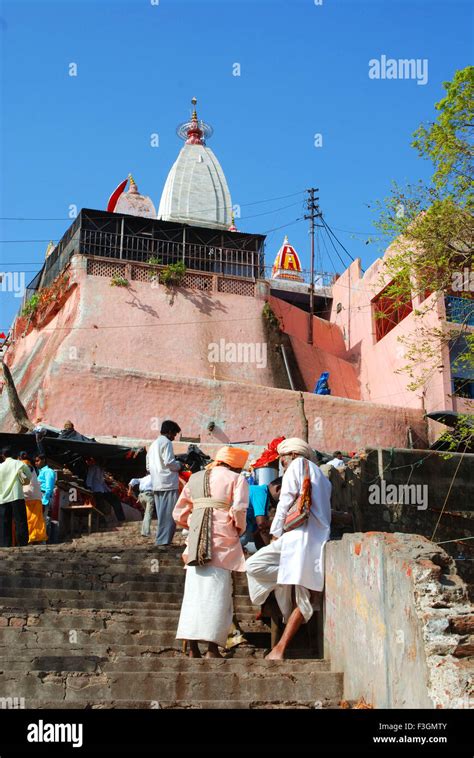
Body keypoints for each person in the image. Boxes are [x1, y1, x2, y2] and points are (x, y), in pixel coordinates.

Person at [246, 437, 331, 660]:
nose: (281, 463)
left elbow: (286, 501)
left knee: (254, 565)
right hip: (317, 539)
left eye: (282, 459)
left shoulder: (296, 466)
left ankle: (280, 648)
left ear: (292, 455)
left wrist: (275, 533)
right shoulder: (322, 475)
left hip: (298, 538)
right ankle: (280, 647)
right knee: (305, 596)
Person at [173, 446, 249, 658]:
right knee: (217, 595)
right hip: (222, 543)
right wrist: (238, 528)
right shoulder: (237, 479)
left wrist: (194, 522)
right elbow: (239, 510)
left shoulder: (195, 478)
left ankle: (193, 648)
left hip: (195, 543)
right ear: (235, 465)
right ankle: (212, 649)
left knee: (193, 595)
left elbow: (178, 512)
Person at [147, 420, 183, 546]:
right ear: (169, 432)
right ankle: (164, 541)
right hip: (168, 483)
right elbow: (169, 462)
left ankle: (160, 540)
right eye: (174, 434)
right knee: (169, 515)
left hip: (156, 483)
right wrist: (179, 466)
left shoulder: (153, 445)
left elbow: (147, 467)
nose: (174, 437)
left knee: (162, 515)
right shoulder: (166, 442)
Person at [0, 447, 31, 547]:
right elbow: (28, 477)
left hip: (3, 498)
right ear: (12, 454)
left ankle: (5, 544)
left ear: (3, 456)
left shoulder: (0, 467)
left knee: (5, 523)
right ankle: (22, 543)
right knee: (20, 521)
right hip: (16, 495)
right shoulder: (19, 464)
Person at [241, 477, 282, 550]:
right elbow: (262, 525)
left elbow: (258, 532)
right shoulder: (261, 493)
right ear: (278, 488)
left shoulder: (261, 494)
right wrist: (269, 552)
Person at [85, 458, 125, 523]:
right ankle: (102, 522)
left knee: (115, 500)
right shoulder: (93, 468)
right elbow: (89, 478)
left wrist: (109, 490)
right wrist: (89, 489)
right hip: (96, 490)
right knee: (100, 505)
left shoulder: (101, 470)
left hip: (103, 490)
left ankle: (121, 519)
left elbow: (102, 483)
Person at [19, 452, 47, 544]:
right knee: (37, 519)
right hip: (37, 496)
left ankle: (31, 538)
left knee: (28, 518)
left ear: (19, 458)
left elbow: (22, 480)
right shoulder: (32, 467)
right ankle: (37, 538)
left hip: (27, 495)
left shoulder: (21, 466)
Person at [35, 455, 57, 536]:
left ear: (43, 460)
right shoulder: (41, 472)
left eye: (38, 461)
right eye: (35, 461)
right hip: (40, 497)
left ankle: (44, 540)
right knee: (41, 520)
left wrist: (45, 501)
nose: (36, 463)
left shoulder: (48, 471)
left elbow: (49, 488)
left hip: (44, 497)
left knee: (44, 519)